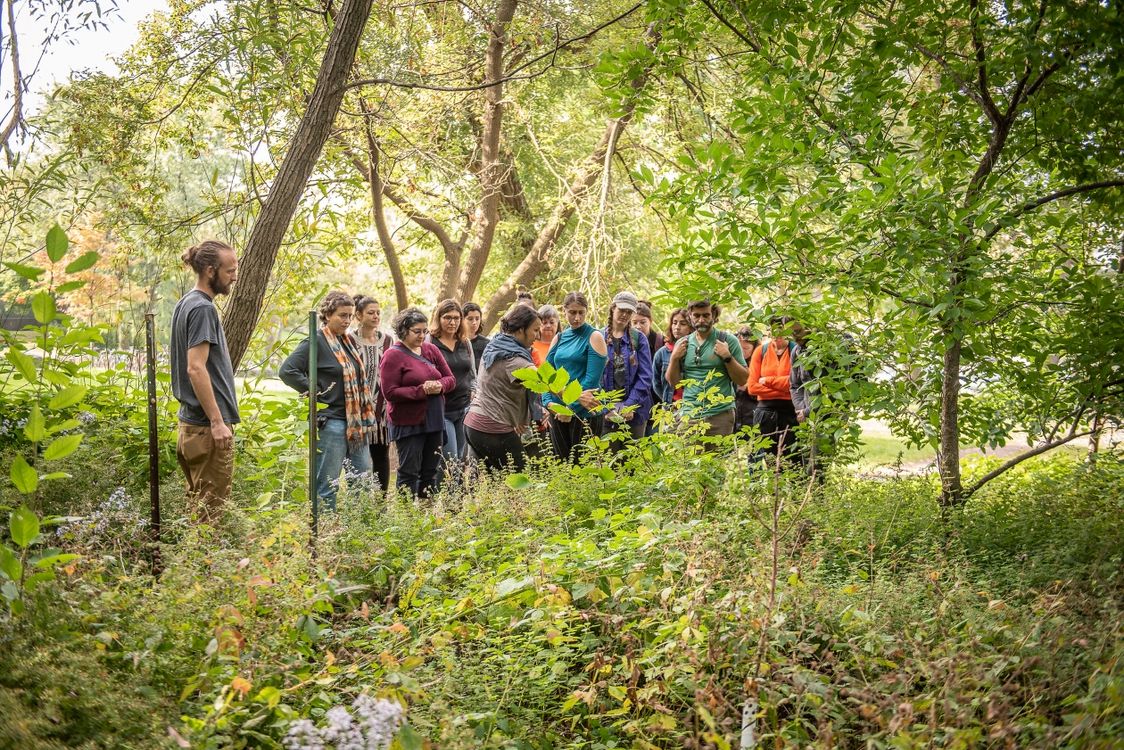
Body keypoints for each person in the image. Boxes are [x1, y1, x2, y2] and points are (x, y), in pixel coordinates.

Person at [280, 291, 378, 511]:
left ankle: (357, 532)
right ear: (327, 315)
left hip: (356, 423)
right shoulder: (316, 341)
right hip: (332, 421)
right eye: (342, 315)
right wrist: (316, 391)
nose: (346, 320)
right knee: (328, 484)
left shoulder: (347, 342)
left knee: (361, 482)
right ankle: (324, 536)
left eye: (350, 316)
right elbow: (287, 370)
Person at [170, 240, 240, 523]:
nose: (234, 276)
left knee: (199, 511)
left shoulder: (185, 303)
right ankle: (205, 567)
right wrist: (216, 421)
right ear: (210, 271)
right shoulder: (202, 309)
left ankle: (195, 564)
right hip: (205, 428)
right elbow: (195, 369)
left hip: (191, 426)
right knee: (211, 517)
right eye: (229, 270)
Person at [380, 308, 455, 499]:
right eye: (417, 331)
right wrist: (421, 390)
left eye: (424, 331)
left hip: (435, 419)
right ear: (404, 330)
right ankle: (407, 518)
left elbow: (450, 379)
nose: (422, 335)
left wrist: (439, 385)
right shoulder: (392, 355)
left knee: (430, 470)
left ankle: (425, 513)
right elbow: (389, 392)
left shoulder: (431, 350)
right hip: (408, 423)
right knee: (409, 472)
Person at [464, 305, 542, 472]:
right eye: (535, 330)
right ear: (521, 329)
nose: (538, 335)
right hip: (490, 427)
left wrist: (518, 417)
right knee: (522, 477)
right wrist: (578, 396)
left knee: (497, 483)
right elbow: (548, 382)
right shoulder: (514, 359)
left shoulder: (496, 345)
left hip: (474, 423)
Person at [665, 299, 748, 438]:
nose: (701, 320)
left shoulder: (727, 340)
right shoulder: (683, 343)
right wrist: (674, 358)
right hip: (690, 413)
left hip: (721, 414)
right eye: (696, 315)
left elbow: (743, 379)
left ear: (714, 316)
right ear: (690, 316)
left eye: (706, 315)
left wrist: (727, 357)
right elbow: (674, 383)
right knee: (688, 459)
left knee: (718, 459)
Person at [542, 291, 608, 462]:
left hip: (584, 413)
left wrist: (569, 409)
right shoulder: (559, 337)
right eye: (572, 312)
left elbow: (590, 383)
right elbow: (546, 375)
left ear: (586, 311)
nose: (577, 318)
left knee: (583, 468)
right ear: (564, 311)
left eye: (581, 313)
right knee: (562, 466)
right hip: (557, 412)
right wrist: (548, 403)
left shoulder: (594, 336)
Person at [747, 316, 803, 467]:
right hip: (765, 413)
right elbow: (752, 387)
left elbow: (795, 384)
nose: (777, 334)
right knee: (767, 460)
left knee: (792, 460)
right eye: (774, 330)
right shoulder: (761, 351)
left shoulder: (796, 350)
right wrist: (784, 388)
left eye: (782, 330)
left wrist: (768, 381)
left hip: (790, 412)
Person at [600, 291, 653, 442]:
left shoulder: (638, 339)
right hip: (605, 412)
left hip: (634, 413)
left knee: (632, 460)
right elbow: (594, 376)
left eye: (629, 312)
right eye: (621, 310)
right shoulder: (598, 337)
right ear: (613, 308)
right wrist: (606, 408)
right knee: (606, 459)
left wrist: (630, 405)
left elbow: (645, 376)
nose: (624, 315)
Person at [353, 295, 393, 493]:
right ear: (358, 315)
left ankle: (380, 502)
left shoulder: (387, 340)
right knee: (356, 456)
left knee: (380, 454)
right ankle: (359, 498)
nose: (376, 316)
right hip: (356, 408)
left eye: (378, 312)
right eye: (371, 312)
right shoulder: (348, 340)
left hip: (381, 407)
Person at [428, 299, 476, 464]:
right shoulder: (429, 342)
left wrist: (474, 391)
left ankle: (452, 490)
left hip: (463, 408)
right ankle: (446, 490)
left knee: (461, 459)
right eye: (447, 317)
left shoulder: (465, 342)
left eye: (456, 318)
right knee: (450, 460)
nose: (452, 322)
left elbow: (472, 373)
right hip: (442, 410)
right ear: (439, 318)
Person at [652, 307, 690, 406]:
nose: (677, 327)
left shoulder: (695, 350)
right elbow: (656, 383)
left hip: (692, 406)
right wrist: (667, 400)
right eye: (674, 323)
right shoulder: (662, 353)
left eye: (683, 323)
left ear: (691, 327)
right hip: (671, 406)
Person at [733, 326, 759, 432]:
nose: (742, 352)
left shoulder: (758, 362)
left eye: (746, 349)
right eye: (739, 348)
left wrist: (749, 387)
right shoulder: (730, 362)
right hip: (733, 410)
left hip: (751, 412)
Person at [462, 302, 490, 368]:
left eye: (477, 319)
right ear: (462, 319)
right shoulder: (455, 342)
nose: (474, 322)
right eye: (470, 319)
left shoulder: (487, 344)